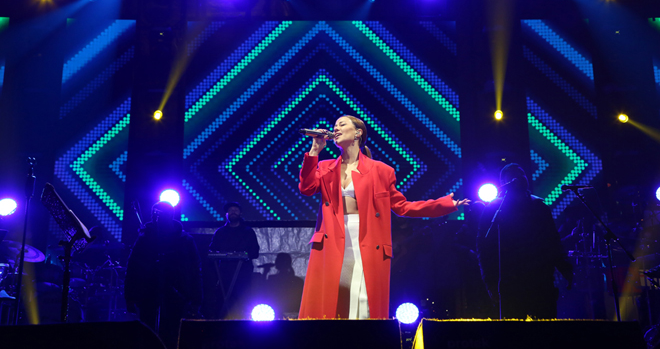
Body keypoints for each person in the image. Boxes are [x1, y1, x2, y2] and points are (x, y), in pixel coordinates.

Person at [298, 115, 469, 319]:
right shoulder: (325, 167)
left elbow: (402, 207)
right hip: (332, 236)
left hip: (366, 236)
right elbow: (306, 188)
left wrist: (444, 205)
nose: (336, 128)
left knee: (362, 295)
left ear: (358, 133)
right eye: (334, 125)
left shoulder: (380, 171)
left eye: (342, 124)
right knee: (333, 295)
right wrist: (314, 151)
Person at [477, 163, 573, 319]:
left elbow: (553, 241)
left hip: (541, 281)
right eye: (514, 176)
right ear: (504, 183)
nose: (520, 178)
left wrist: (565, 268)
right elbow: (484, 248)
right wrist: (490, 282)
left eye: (522, 174)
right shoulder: (493, 209)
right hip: (510, 283)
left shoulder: (539, 207)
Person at [124, 201, 202, 349]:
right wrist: (130, 297)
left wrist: (196, 298)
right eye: (156, 214)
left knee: (172, 336)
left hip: (177, 295)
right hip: (148, 294)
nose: (158, 217)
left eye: (161, 214)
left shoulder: (185, 240)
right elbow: (133, 267)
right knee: (148, 335)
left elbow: (194, 270)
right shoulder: (144, 238)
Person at [209, 202, 260, 318]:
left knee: (243, 301)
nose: (233, 212)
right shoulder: (220, 232)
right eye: (230, 210)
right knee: (223, 300)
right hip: (225, 274)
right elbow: (212, 250)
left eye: (236, 210)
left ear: (240, 213)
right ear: (226, 214)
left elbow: (255, 252)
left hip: (243, 274)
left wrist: (243, 255)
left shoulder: (248, 232)